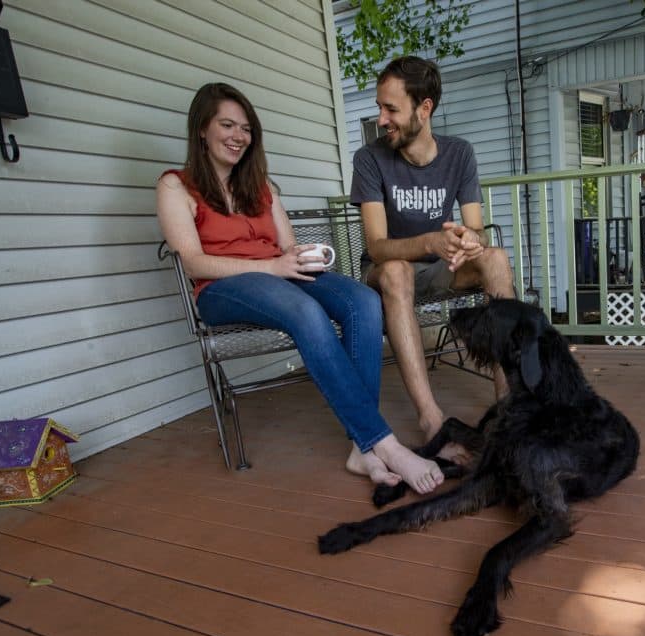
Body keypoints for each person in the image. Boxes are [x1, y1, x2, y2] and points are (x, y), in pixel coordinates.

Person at [157, 82, 443, 494]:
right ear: (202, 128)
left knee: (363, 300)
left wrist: (307, 257)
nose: (238, 136)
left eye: (246, 128)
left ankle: (359, 449)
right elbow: (193, 261)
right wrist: (272, 265)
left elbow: (288, 248)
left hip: (278, 277)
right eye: (227, 125)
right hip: (222, 288)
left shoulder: (261, 187)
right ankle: (385, 444)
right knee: (305, 312)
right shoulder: (175, 186)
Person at [350, 56, 515, 460]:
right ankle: (431, 419)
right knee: (394, 271)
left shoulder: (459, 154)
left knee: (495, 258)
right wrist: (429, 242)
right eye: (380, 107)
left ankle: (512, 407)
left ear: (424, 109)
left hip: (442, 268)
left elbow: (475, 225)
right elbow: (376, 246)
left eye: (391, 108)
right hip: (388, 272)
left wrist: (467, 239)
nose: (382, 118)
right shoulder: (369, 159)